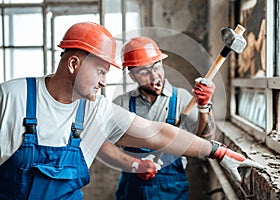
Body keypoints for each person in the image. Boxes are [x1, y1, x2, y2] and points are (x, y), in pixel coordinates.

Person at [0, 22, 263, 200]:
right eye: (101, 71)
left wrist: (217, 151)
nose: (104, 81)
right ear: (73, 64)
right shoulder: (12, 97)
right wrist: (134, 164)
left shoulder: (96, 110)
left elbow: (158, 133)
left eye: (156, 66)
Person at [98, 36, 216, 200]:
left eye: (157, 67)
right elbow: (100, 143)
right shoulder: (121, 104)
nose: (155, 77)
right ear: (132, 76)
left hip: (172, 188)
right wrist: (133, 164)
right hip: (132, 187)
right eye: (144, 72)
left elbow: (207, 139)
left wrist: (204, 107)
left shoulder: (181, 98)